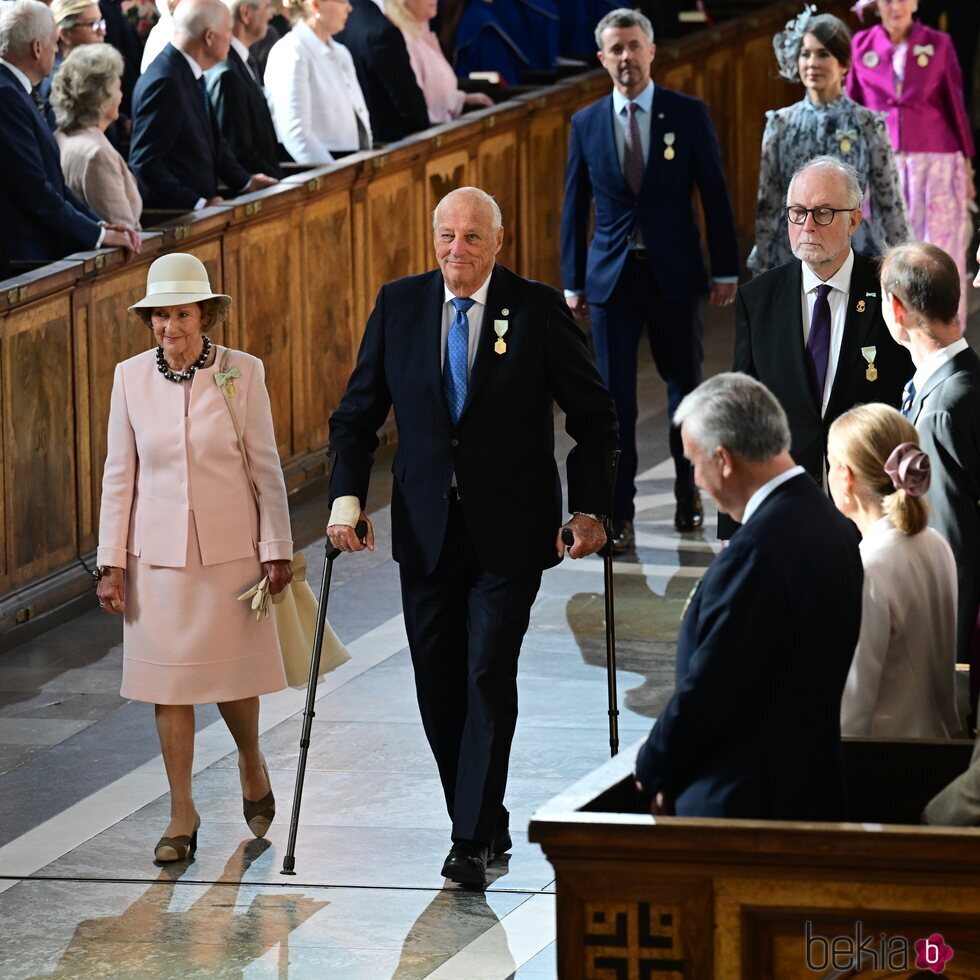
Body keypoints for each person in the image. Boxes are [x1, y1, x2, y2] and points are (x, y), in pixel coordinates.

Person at [327, 187, 618, 886]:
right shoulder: (400, 306)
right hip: (427, 529)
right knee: (438, 684)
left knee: (487, 673)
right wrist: (345, 500)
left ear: (499, 241)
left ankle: (466, 842)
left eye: (473, 238)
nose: (457, 250)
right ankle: (485, 815)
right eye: (447, 236)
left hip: (511, 532)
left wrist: (591, 512)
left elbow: (596, 417)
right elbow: (356, 417)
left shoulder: (539, 309)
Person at [95, 252, 293, 863]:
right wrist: (110, 561)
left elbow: (264, 466)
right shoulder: (129, 378)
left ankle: (251, 762)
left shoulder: (243, 373)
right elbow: (118, 475)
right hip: (154, 558)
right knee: (169, 688)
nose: (169, 327)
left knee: (232, 680)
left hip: (230, 553)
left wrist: (276, 547)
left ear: (205, 315)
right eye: (159, 316)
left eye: (181, 314)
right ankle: (181, 812)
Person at [633, 373, 864, 820]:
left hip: (745, 808)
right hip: (810, 791)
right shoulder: (830, 522)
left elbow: (711, 690)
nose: (695, 480)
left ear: (723, 459)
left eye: (694, 463)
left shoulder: (758, 552)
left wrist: (653, 765)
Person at [560, 8, 738, 551]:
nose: (626, 57)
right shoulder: (586, 123)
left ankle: (689, 492)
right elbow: (573, 206)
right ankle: (619, 513)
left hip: (676, 275)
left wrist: (726, 267)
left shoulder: (687, 114)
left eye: (634, 46)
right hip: (611, 282)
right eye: (615, 49)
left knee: (685, 390)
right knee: (614, 403)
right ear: (602, 58)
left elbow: (715, 192)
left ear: (652, 50)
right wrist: (572, 280)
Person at [732, 157, 912, 502]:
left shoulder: (889, 289)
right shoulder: (758, 300)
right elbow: (743, 413)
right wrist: (734, 522)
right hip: (787, 499)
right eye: (797, 212)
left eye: (824, 212)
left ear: (854, 220)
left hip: (873, 498)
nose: (808, 225)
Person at [879, 241, 980, 710]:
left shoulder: (942, 409)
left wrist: (951, 665)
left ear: (897, 310)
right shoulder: (957, 378)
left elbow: (952, 545)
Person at [828, 404, 959, 738]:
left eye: (830, 463)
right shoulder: (934, 542)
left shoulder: (869, 567)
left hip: (889, 759)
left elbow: (854, 704)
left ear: (846, 478)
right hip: (937, 742)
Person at [749, 8, 909, 275]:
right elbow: (768, 203)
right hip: (790, 257)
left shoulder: (868, 124)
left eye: (823, 54)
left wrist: (905, 263)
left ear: (844, 64)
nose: (812, 62)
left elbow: (889, 202)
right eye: (805, 53)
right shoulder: (780, 123)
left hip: (854, 253)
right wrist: (762, 268)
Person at [847, 0, 975, 327]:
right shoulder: (861, 45)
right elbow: (851, 112)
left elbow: (955, 104)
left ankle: (946, 334)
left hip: (936, 160)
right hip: (882, 165)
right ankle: (891, 336)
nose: (896, 6)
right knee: (887, 251)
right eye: (888, 0)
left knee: (940, 249)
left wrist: (968, 163)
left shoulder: (938, 43)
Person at [0, 0, 140, 269]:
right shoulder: (6, 95)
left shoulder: (17, 90)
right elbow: (34, 190)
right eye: (53, 42)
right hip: (22, 256)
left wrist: (98, 225)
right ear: (37, 48)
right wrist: (99, 235)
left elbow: (55, 183)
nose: (56, 49)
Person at [129, 0, 277, 211]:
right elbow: (145, 164)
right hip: (178, 218)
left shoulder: (188, 70)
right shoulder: (166, 81)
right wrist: (197, 203)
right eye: (227, 31)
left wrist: (245, 182)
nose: (231, 37)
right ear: (209, 37)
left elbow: (214, 144)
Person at [263, 0, 372, 164]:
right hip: (323, 171)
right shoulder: (291, 51)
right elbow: (295, 134)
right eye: (342, 1)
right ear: (315, 5)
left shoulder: (342, 52)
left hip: (351, 164)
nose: (349, 8)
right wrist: (334, 176)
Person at [52, 43, 143, 227]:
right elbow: (122, 229)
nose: (121, 95)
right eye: (118, 88)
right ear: (101, 98)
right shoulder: (97, 154)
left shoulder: (59, 137)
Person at [205, 0, 287, 178]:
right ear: (246, 14)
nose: (271, 15)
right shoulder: (227, 73)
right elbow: (238, 149)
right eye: (267, 7)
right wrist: (279, 182)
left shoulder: (245, 61)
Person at [335, 0, 428, 144]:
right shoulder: (380, 30)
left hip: (355, 143)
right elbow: (410, 104)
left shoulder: (338, 19)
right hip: (391, 146)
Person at [384, 0, 492, 124]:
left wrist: (462, 99)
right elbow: (416, 105)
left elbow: (435, 90)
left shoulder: (424, 36)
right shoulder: (402, 42)